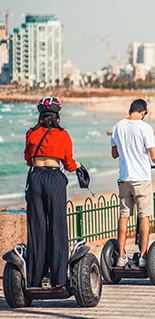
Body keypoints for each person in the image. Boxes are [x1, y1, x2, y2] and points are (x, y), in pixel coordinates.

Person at [24, 97, 81, 288]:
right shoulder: (63, 135)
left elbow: (28, 158)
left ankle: (34, 278)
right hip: (54, 179)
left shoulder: (31, 133)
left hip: (36, 178)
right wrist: (78, 166)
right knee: (57, 226)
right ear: (57, 115)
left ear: (41, 115)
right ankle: (58, 279)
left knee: (36, 229)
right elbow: (69, 163)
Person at [111, 99, 155, 267]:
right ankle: (143, 257)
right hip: (141, 179)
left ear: (130, 110)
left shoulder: (117, 127)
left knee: (124, 216)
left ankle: (121, 256)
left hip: (124, 178)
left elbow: (114, 154)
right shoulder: (145, 127)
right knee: (144, 217)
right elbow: (153, 154)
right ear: (143, 112)